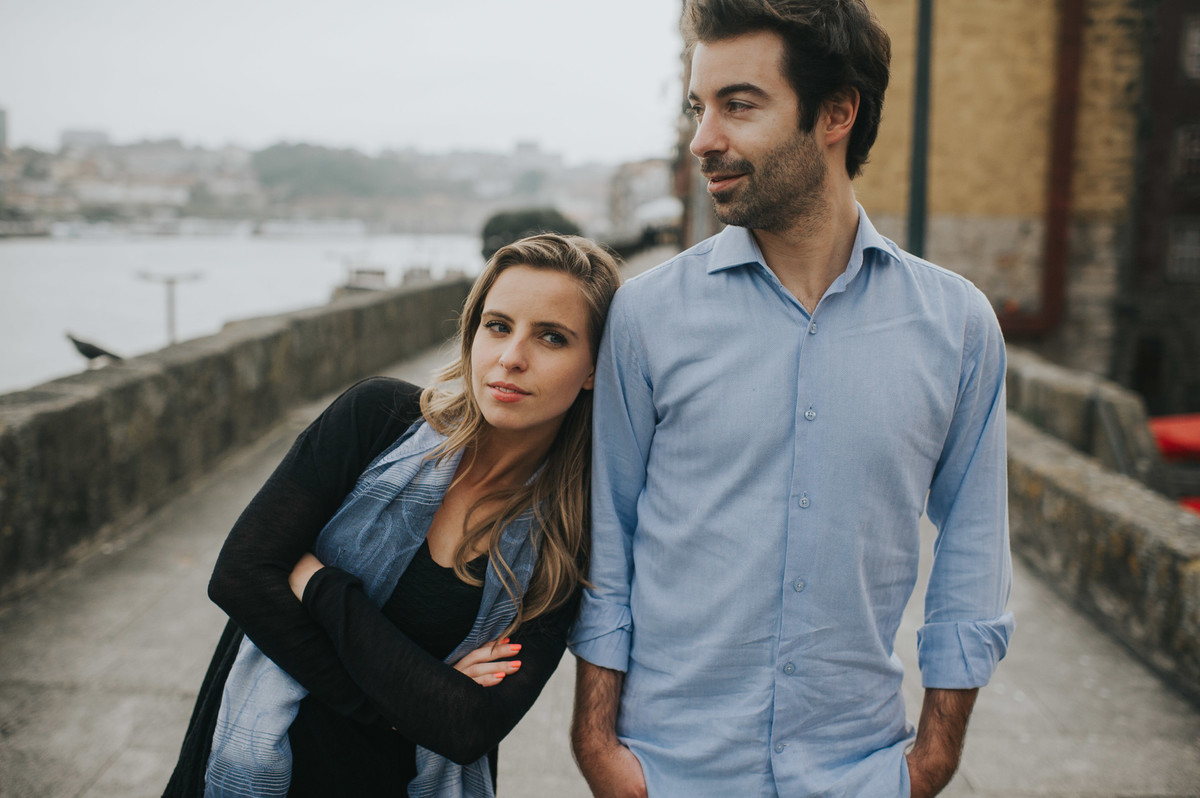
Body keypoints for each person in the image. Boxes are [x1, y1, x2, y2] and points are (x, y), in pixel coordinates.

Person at [568, 1, 1014, 796]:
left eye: (738, 105)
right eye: (699, 108)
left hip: (860, 772)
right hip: (670, 772)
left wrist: (933, 758)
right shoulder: (646, 315)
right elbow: (609, 536)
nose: (703, 138)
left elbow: (976, 549)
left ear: (836, 113)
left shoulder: (957, 326)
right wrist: (598, 745)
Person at [164, 233, 622, 798]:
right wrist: (402, 706)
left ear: (593, 368)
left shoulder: (568, 536)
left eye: (552, 337)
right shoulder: (376, 421)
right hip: (246, 767)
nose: (511, 357)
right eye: (498, 326)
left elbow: (468, 725)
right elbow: (239, 577)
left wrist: (321, 587)